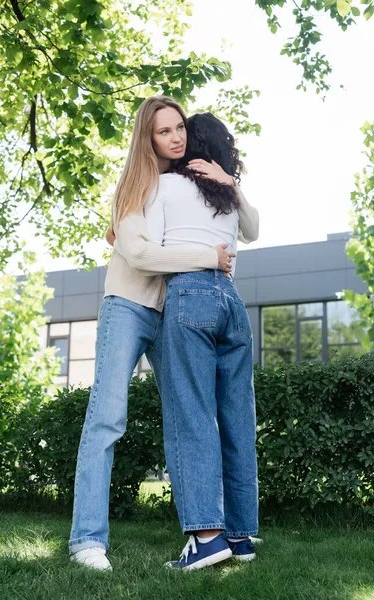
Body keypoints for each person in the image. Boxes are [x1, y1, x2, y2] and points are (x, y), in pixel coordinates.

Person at [68, 97, 236, 572]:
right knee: (107, 418)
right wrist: (209, 257)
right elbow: (140, 257)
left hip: (175, 312)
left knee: (190, 419)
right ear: (148, 138)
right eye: (164, 131)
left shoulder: (181, 185)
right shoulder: (134, 187)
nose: (176, 137)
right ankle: (86, 541)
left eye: (179, 127)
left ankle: (210, 535)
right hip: (128, 306)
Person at [115, 112, 259, 571]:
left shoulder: (165, 186)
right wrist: (231, 182)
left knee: (190, 414)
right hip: (232, 302)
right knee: (236, 418)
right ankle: (241, 536)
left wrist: (118, 235)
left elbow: (149, 249)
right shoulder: (225, 196)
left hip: (189, 294)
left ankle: (206, 538)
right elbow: (254, 231)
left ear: (189, 145)